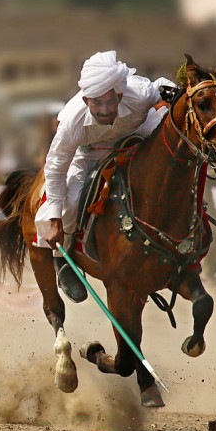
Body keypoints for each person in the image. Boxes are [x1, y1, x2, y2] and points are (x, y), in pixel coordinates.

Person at [35, 51, 175, 302]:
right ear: (86, 98)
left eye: (110, 102)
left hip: (136, 143)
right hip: (89, 155)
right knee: (72, 200)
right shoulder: (71, 122)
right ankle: (64, 263)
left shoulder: (139, 93)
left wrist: (179, 92)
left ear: (120, 95)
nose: (104, 110)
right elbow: (55, 168)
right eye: (96, 103)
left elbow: (161, 89)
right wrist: (55, 220)